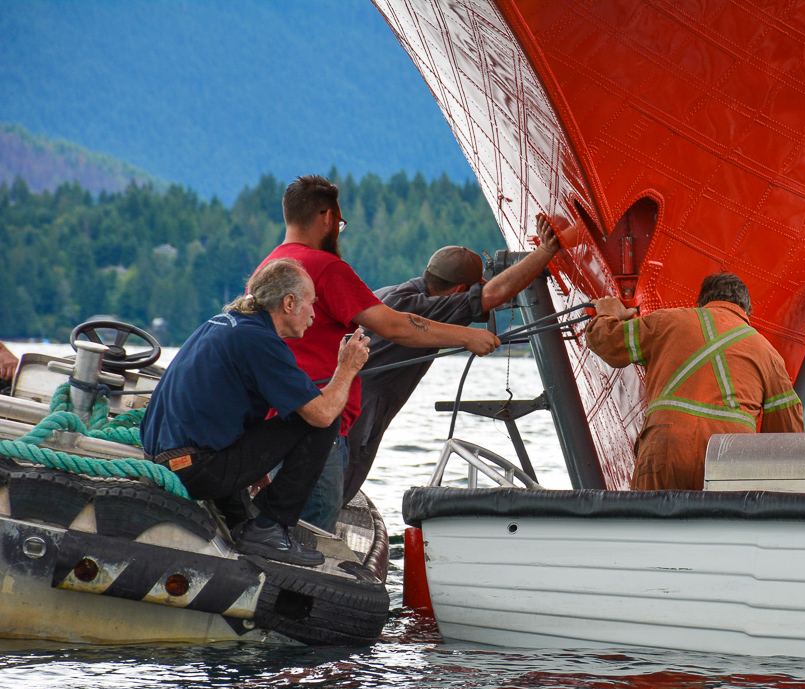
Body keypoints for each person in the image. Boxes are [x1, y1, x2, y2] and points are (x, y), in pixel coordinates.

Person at [257, 175, 501, 531]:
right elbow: (395, 326)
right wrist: (466, 336)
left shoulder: (272, 266)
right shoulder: (326, 268)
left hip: (273, 418)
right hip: (317, 426)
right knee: (313, 531)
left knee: (282, 521)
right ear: (326, 219)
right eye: (339, 223)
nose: (337, 230)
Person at [141, 259, 369, 566]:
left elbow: (224, 407)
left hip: (168, 460)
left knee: (305, 415)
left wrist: (257, 465)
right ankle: (271, 527)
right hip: (195, 469)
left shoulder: (222, 323)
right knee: (323, 421)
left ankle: (243, 523)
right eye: (311, 304)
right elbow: (322, 414)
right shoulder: (261, 341)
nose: (314, 314)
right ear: (289, 303)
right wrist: (346, 368)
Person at [342, 215, 564, 500]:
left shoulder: (393, 295)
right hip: (361, 409)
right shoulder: (421, 307)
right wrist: (545, 251)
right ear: (460, 290)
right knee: (339, 488)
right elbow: (493, 294)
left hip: (348, 399)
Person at [585, 272, 804, 490]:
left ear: (700, 303)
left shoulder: (667, 321)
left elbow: (606, 341)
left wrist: (608, 313)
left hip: (666, 447)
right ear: (749, 312)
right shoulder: (768, 353)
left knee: (650, 523)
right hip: (730, 458)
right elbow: (786, 432)